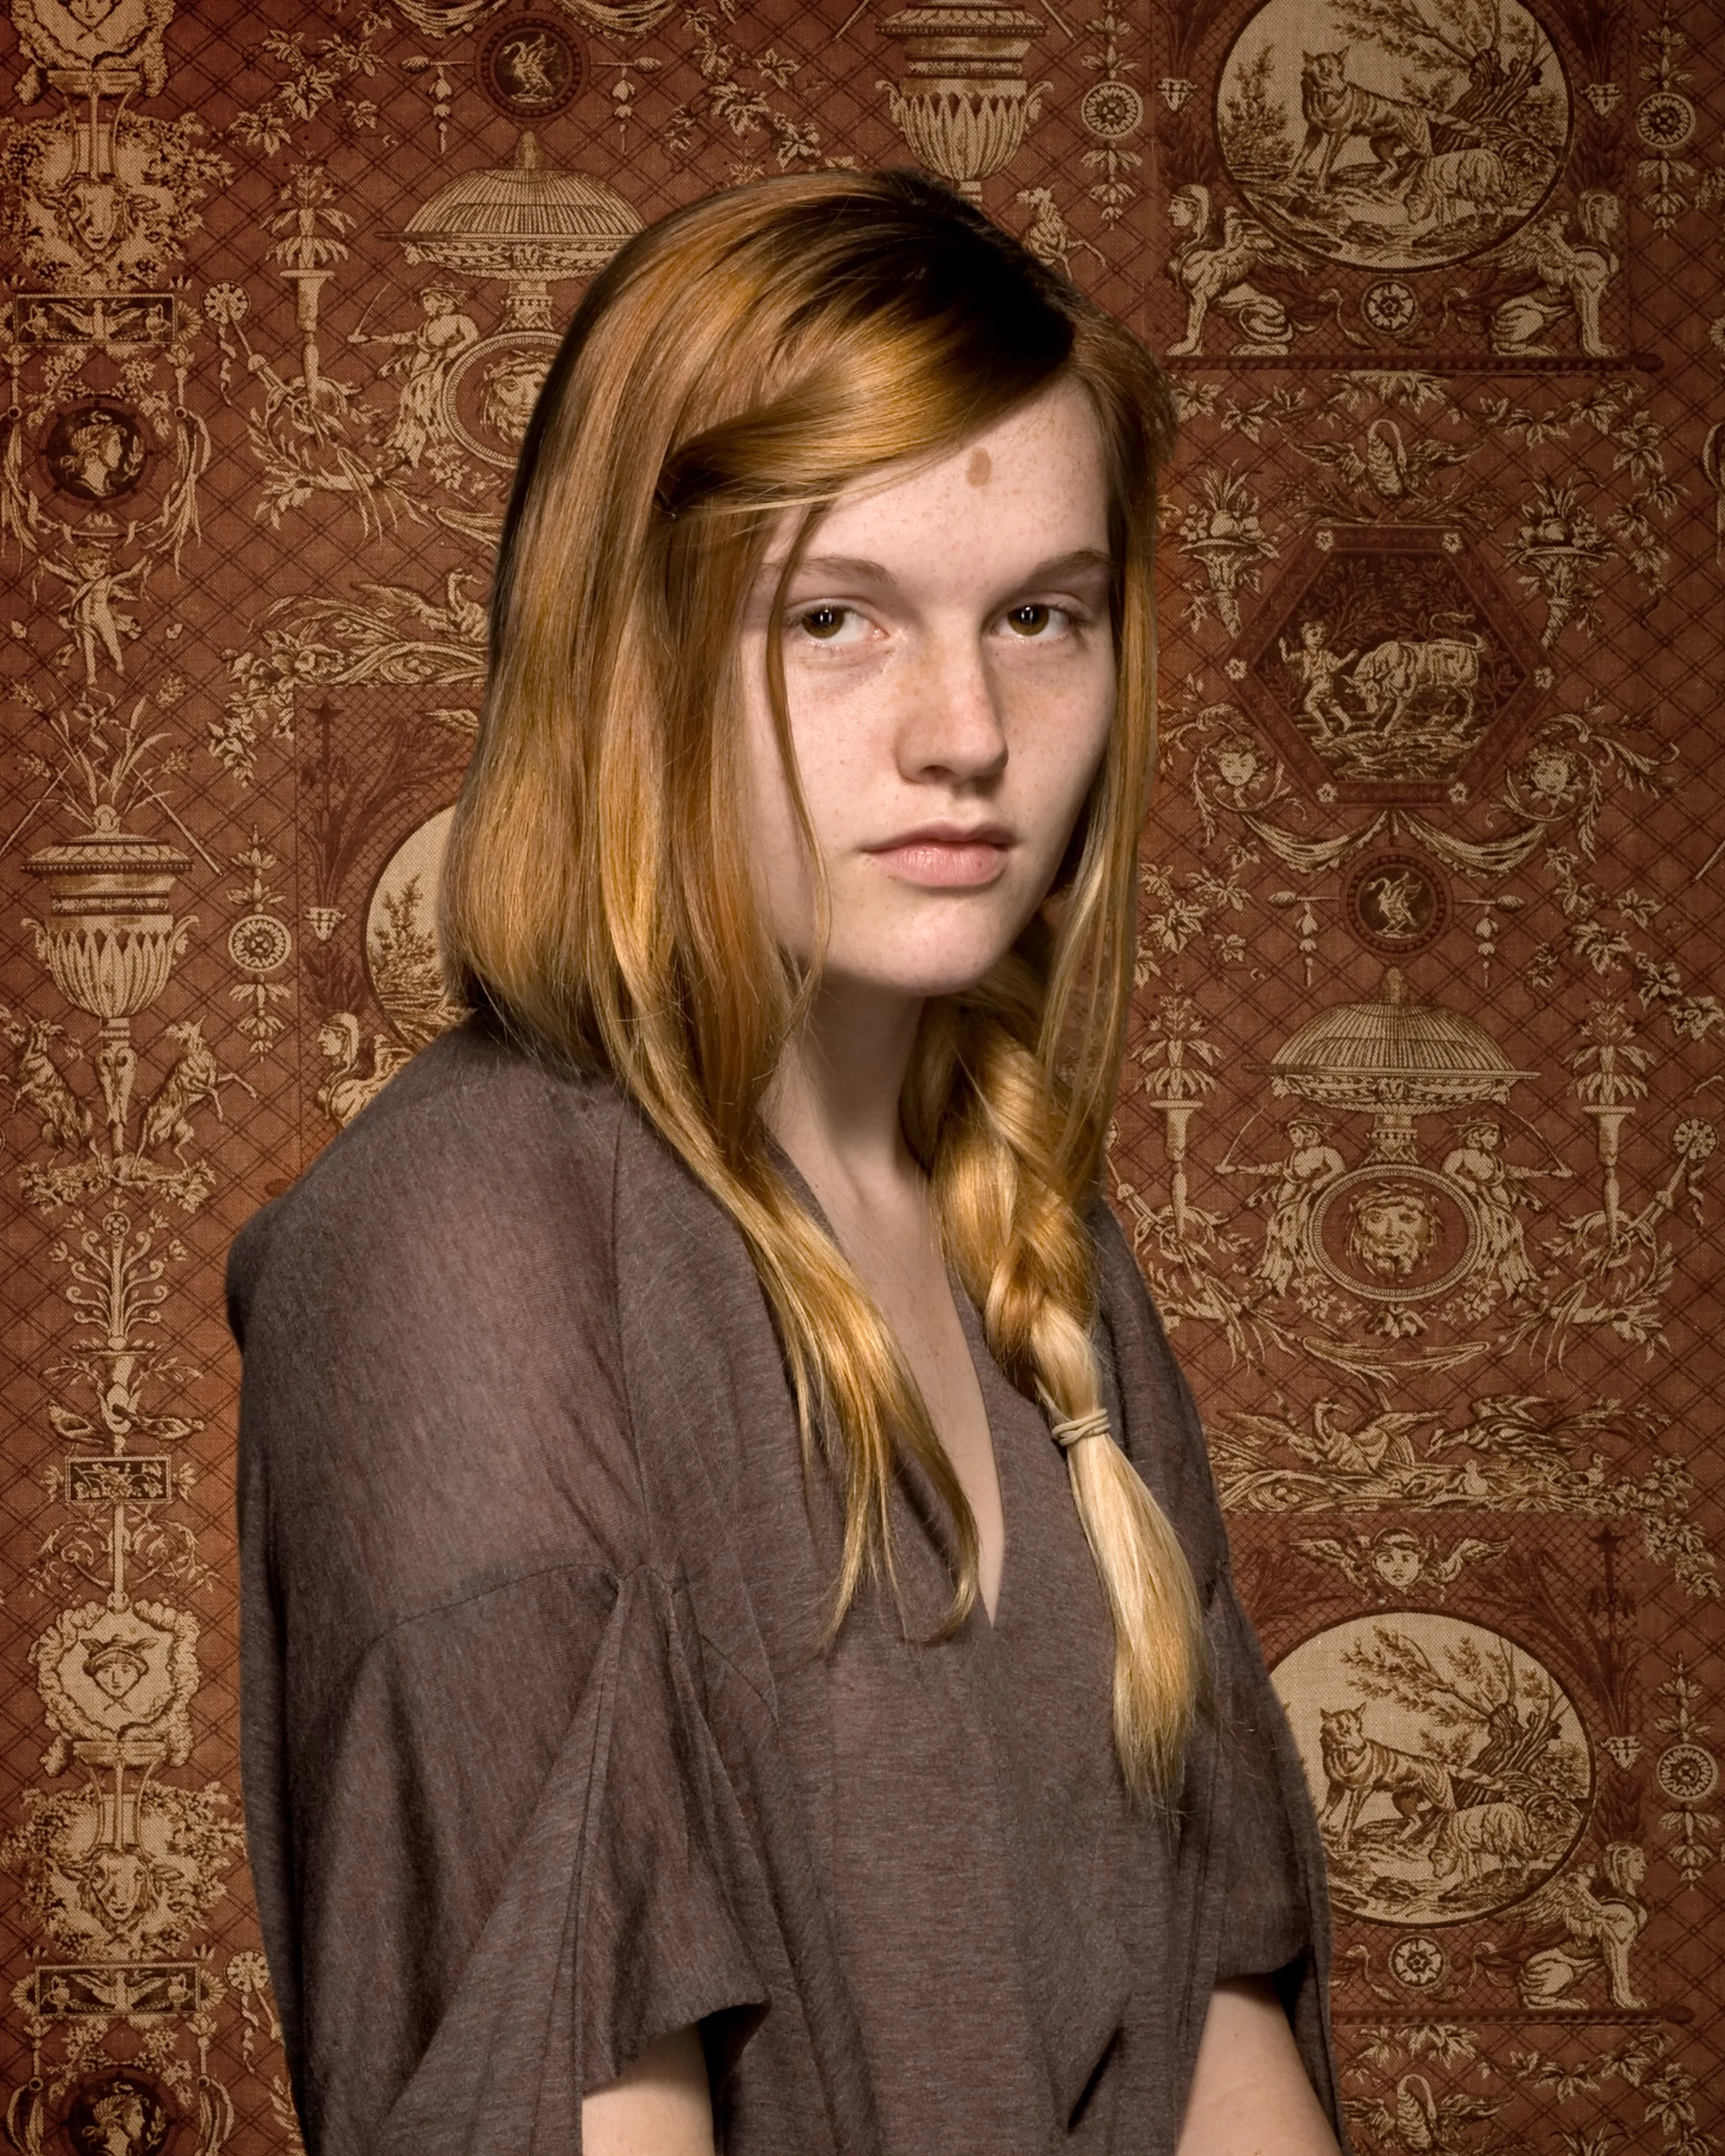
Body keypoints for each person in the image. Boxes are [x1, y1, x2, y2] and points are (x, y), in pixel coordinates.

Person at [228, 169, 1348, 2156]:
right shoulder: (462, 1243)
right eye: (834, 617)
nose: (967, 731)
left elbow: (1225, 2067)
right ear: (626, 648)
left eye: (1040, 618)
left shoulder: (1051, 1253)